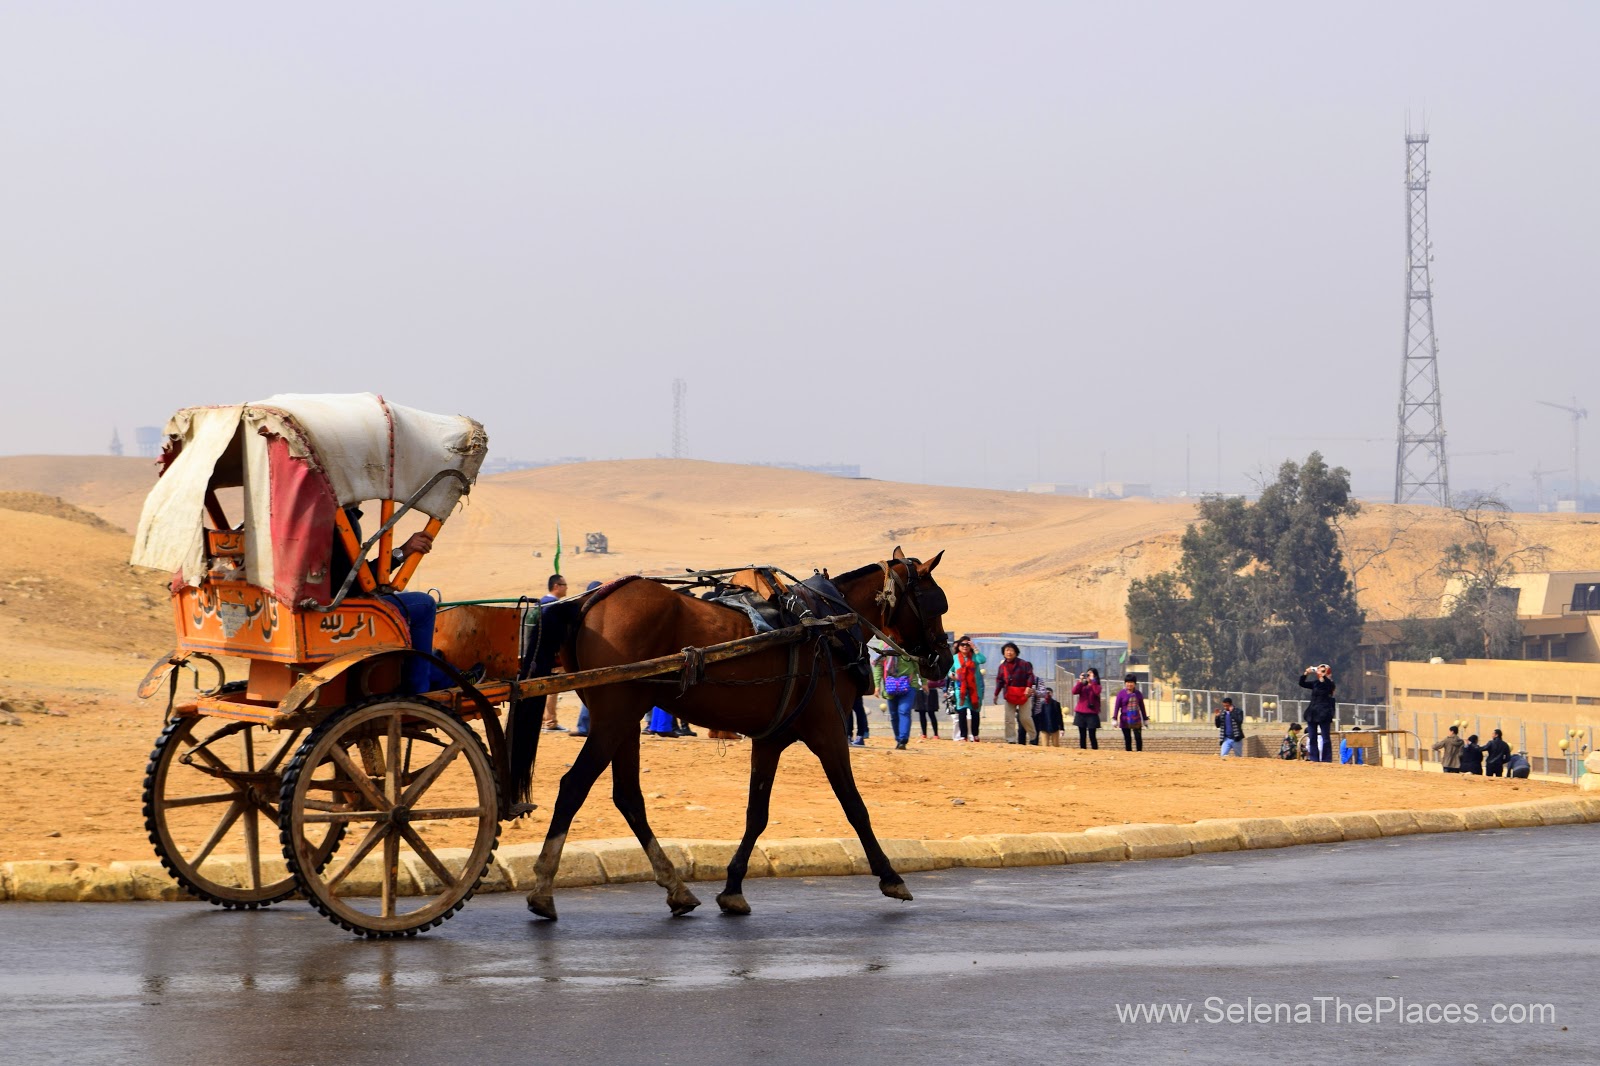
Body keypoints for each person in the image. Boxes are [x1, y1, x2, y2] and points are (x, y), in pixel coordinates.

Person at [537, 574, 570, 732]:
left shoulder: (541, 603)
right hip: (550, 654)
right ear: (556, 586)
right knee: (552, 688)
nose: (567, 588)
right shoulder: (553, 605)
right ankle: (549, 722)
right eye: (564, 585)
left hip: (538, 654)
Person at [874, 648, 922, 751]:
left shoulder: (910, 645)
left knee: (904, 711)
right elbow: (879, 666)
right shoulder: (884, 645)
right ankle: (898, 739)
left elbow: (918, 665)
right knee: (894, 714)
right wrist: (877, 685)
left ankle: (902, 740)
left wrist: (924, 681)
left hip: (909, 684)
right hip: (891, 685)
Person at [994, 642, 1038, 746]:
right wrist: (996, 694)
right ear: (1003, 653)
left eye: (1011, 650)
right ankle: (1011, 739)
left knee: (1025, 718)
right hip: (1010, 695)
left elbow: (1030, 676)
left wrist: (1028, 687)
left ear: (1016, 652)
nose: (1009, 652)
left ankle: (1033, 737)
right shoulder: (1002, 667)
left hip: (1024, 694)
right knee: (1009, 719)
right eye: (1007, 650)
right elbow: (999, 681)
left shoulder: (1024, 664)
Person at [574, 580, 602, 737]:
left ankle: (584, 725)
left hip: (585, 656)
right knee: (592, 690)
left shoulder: (585, 611)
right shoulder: (593, 613)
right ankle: (584, 726)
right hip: (591, 657)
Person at [948, 636, 986, 742]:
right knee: (962, 712)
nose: (965, 647)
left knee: (975, 712)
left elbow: (983, 660)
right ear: (959, 646)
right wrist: (952, 675)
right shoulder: (955, 658)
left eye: (967, 645)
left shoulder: (974, 657)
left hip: (974, 689)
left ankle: (975, 735)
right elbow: (949, 671)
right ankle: (963, 736)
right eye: (962, 645)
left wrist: (975, 648)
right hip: (961, 690)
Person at [1298, 664, 1336, 763]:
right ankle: (1314, 758)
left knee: (1325, 738)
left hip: (1324, 714)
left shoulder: (1329, 684)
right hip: (1313, 713)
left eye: (1323, 670)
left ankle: (1326, 759)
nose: (1320, 672)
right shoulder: (1315, 683)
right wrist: (1306, 673)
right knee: (1312, 737)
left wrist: (1322, 674)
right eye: (1320, 670)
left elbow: (1328, 684)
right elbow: (1302, 683)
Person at [1113, 675, 1148, 752]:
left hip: (1136, 719)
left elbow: (1142, 707)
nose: (1129, 684)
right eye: (1128, 682)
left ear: (1135, 683)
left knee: (1138, 738)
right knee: (1127, 739)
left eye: (1131, 682)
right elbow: (1117, 707)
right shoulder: (1121, 694)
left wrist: (1145, 719)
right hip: (1125, 719)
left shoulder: (1138, 694)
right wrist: (1114, 718)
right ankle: (1129, 755)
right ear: (1125, 683)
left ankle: (1139, 753)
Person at [1071, 668, 1102, 750]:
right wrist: (1080, 681)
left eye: (1091, 674)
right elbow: (1074, 691)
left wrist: (1093, 681)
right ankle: (1083, 752)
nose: (1088, 676)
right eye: (1087, 674)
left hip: (1092, 713)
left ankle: (1095, 752)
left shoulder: (1097, 686)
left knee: (1092, 735)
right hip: (1081, 712)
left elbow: (1096, 692)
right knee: (1082, 735)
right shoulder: (1082, 685)